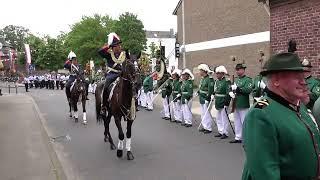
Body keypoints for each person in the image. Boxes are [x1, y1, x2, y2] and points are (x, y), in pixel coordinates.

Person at [242, 52, 320, 180]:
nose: (303, 82)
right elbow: (265, 171)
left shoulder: (298, 104)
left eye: (303, 77)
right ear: (277, 80)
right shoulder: (259, 113)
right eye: (297, 77)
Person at [98, 32, 127, 115]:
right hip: (112, 75)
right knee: (106, 87)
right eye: (117, 45)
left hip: (121, 74)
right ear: (113, 47)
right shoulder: (108, 54)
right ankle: (103, 106)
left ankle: (131, 104)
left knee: (130, 84)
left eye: (119, 45)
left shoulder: (122, 54)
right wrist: (109, 45)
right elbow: (99, 51)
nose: (119, 46)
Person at [228, 63, 253, 143]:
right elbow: (231, 89)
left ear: (243, 69)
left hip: (243, 104)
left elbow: (248, 90)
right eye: (236, 70)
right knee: (237, 121)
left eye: (239, 69)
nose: (237, 71)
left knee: (244, 122)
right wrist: (230, 92)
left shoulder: (248, 79)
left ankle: (247, 139)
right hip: (236, 103)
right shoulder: (236, 79)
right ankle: (238, 137)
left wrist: (238, 89)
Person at [213, 65, 231, 139]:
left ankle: (225, 132)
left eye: (218, 73)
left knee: (224, 118)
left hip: (223, 101)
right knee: (218, 117)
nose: (217, 75)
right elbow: (216, 90)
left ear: (222, 73)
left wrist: (227, 102)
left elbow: (228, 92)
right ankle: (220, 131)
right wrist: (213, 95)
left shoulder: (227, 81)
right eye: (216, 73)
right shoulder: (217, 81)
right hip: (218, 101)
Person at [197, 64, 214, 134]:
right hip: (201, 98)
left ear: (204, 71)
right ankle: (205, 126)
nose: (199, 72)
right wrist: (199, 91)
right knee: (203, 113)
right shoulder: (202, 79)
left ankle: (208, 128)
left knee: (207, 113)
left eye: (200, 70)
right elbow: (201, 88)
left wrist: (208, 98)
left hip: (206, 98)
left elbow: (210, 90)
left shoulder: (209, 79)